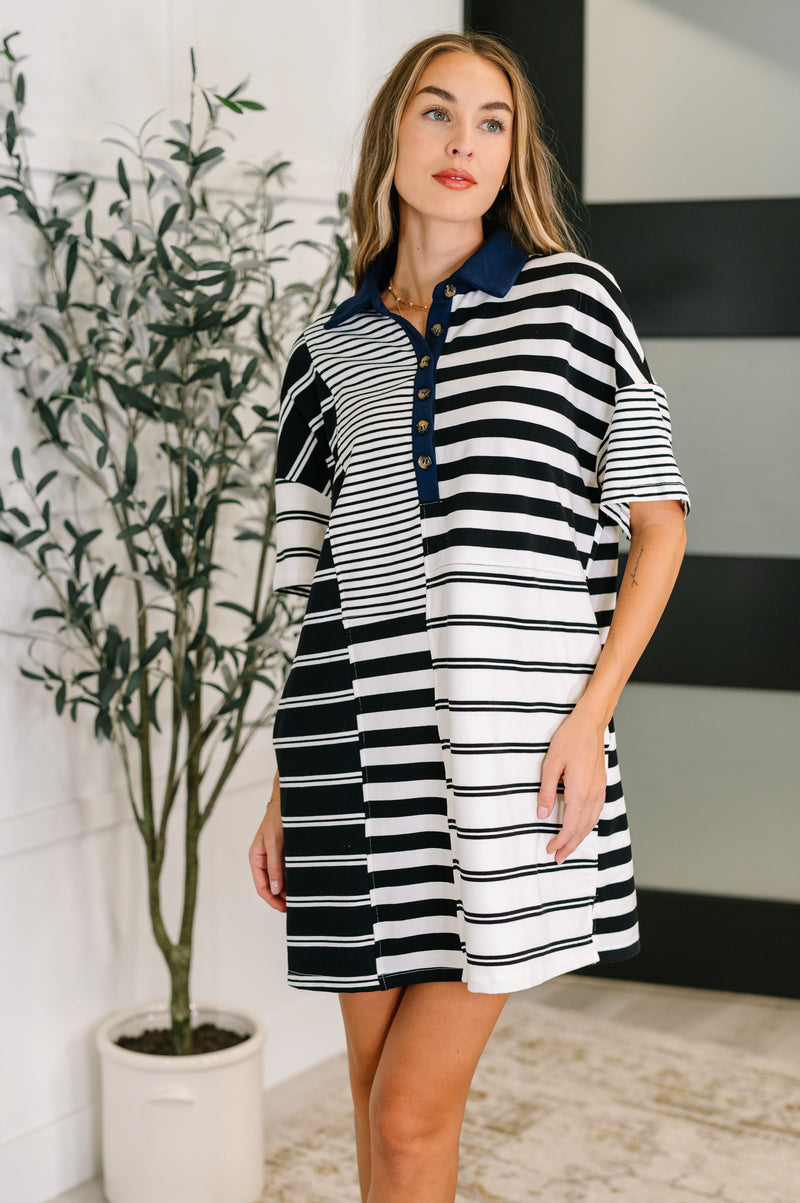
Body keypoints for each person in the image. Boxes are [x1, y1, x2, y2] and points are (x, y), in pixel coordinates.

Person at [249, 30, 689, 1203]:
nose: (462, 141)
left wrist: (586, 723)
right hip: (350, 753)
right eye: (436, 111)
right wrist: (286, 788)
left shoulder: (571, 303)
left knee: (407, 1114)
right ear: (391, 134)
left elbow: (656, 527)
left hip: (505, 757)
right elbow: (308, 587)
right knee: (373, 1104)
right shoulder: (325, 351)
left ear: (512, 154)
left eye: (491, 122)